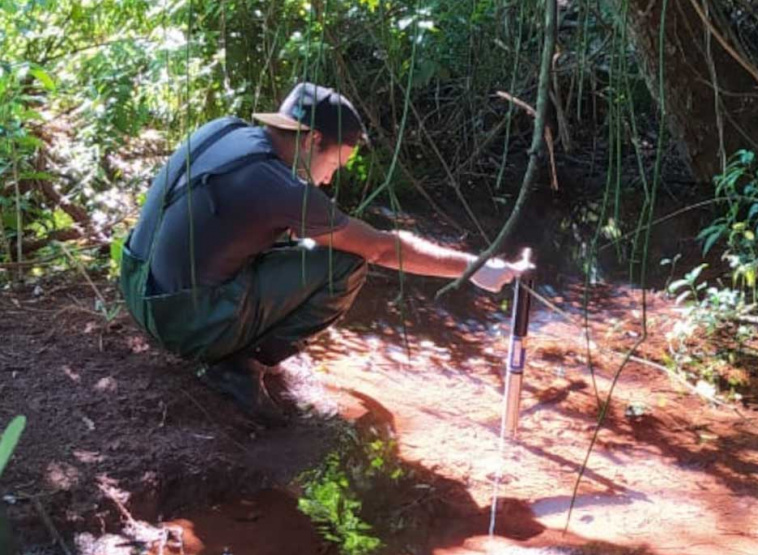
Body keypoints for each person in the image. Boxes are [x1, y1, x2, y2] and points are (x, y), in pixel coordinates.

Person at [119, 82, 532, 424]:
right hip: (179, 321)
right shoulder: (280, 187)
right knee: (346, 264)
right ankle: (238, 366)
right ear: (314, 140)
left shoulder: (223, 130)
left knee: (302, 245)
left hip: (138, 287)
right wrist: (474, 267)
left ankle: (228, 343)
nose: (332, 177)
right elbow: (380, 248)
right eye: (338, 162)